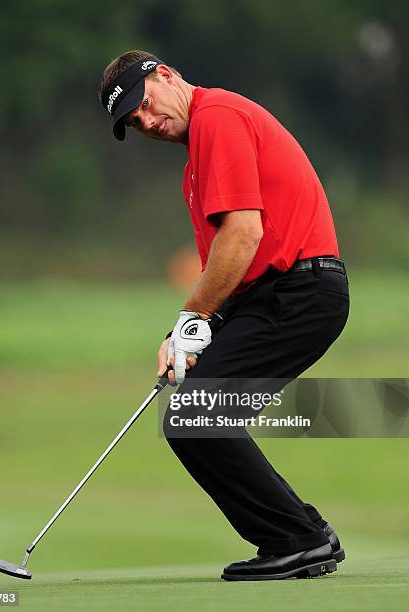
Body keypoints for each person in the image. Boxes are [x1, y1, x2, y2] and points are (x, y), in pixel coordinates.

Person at [99, 50, 350, 581]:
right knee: (195, 416)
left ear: (165, 75)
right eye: (133, 123)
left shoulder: (218, 117)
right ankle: (302, 536)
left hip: (300, 292)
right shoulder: (197, 164)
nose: (145, 122)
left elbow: (243, 236)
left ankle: (299, 540)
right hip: (272, 295)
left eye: (142, 106)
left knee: (197, 416)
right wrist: (188, 331)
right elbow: (229, 267)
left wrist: (193, 319)